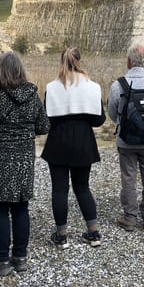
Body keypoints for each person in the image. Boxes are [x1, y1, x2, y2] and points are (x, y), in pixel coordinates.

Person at [0, 51, 50, 276]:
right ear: (20, 71)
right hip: (24, 160)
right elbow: (44, 126)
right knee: (21, 209)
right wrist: (24, 129)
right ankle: (21, 257)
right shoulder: (32, 96)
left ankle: (1, 260)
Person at [42, 48, 106, 249]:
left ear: (61, 62)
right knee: (82, 187)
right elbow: (99, 120)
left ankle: (61, 236)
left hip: (58, 140)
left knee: (59, 189)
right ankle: (93, 232)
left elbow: (46, 120)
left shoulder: (52, 87)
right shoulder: (92, 86)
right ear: (80, 61)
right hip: (83, 141)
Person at [107, 42, 144, 232]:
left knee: (129, 177)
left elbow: (112, 113)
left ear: (129, 61)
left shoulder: (119, 84)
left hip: (126, 140)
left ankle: (129, 217)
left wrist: (124, 125)